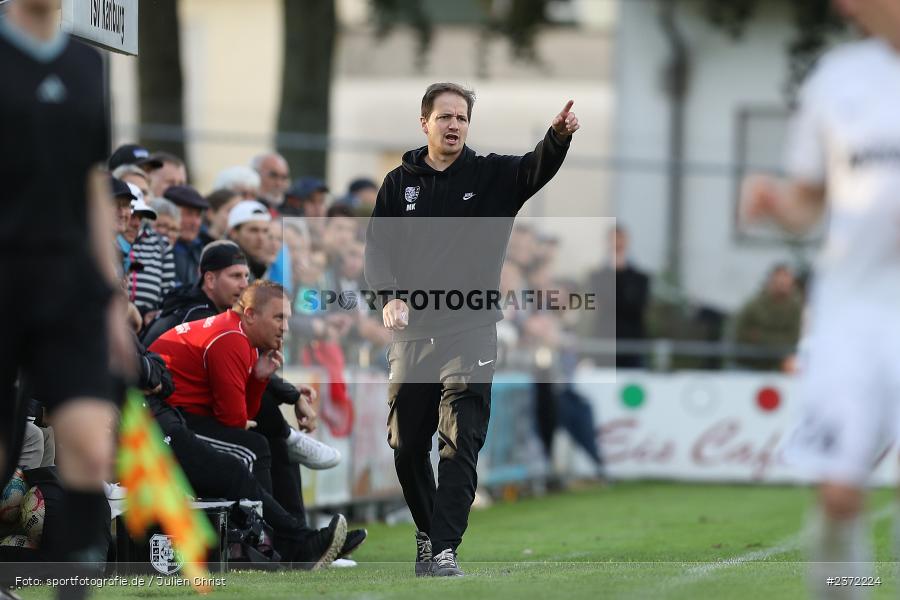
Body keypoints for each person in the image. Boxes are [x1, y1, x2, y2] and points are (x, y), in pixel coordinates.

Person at [365, 82, 578, 577]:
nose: (454, 124)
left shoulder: (490, 176)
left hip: (472, 328)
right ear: (425, 123)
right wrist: (389, 296)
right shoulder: (399, 183)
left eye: (461, 117)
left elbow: (533, 168)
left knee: (460, 441)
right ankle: (427, 532)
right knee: (406, 445)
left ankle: (444, 550)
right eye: (444, 117)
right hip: (413, 332)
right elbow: (377, 249)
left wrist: (557, 137)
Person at [740, 1, 900, 595]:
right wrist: (779, 207)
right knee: (837, 494)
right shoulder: (837, 78)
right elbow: (810, 201)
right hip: (851, 313)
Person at [0, 1, 135, 597]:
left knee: (87, 441)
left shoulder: (88, 64)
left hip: (71, 285)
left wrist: (110, 296)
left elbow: (91, 187)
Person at [142, 242, 342, 472]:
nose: (244, 283)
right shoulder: (205, 318)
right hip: (163, 412)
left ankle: (288, 454)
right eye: (235, 276)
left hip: (183, 408)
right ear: (210, 280)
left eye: (246, 276)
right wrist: (292, 394)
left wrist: (282, 388)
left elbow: (248, 373)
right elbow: (234, 412)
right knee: (259, 442)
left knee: (268, 435)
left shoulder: (233, 322)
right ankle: (288, 441)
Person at [734, 264, 804, 370]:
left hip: (778, 365)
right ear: (771, 282)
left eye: (785, 283)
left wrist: (760, 337)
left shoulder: (794, 308)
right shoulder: (754, 305)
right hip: (748, 364)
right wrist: (778, 340)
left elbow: (793, 339)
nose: (782, 286)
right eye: (779, 282)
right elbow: (740, 334)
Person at [164, 184, 212, 286]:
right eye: (189, 213)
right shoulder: (158, 249)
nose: (195, 222)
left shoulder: (204, 251)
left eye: (198, 215)